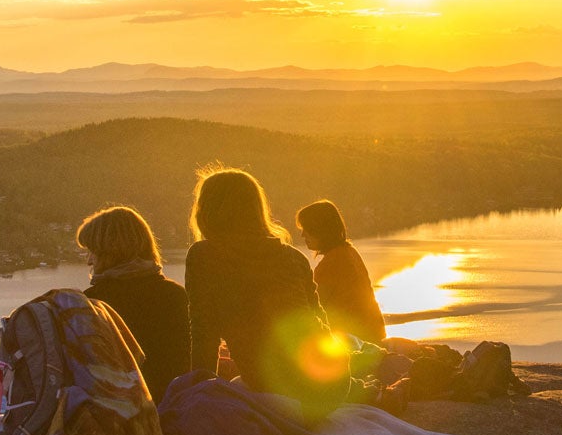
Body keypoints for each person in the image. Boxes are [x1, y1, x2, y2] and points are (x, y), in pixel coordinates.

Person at [185, 167, 349, 418]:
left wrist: (200, 402)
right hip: (333, 387)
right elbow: (321, 325)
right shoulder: (294, 257)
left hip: (283, 396)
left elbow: (204, 335)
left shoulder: (204, 255)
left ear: (206, 211)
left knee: (227, 387)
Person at [77, 205, 189, 401]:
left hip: (118, 417)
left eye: (92, 251)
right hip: (174, 408)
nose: (89, 261)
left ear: (109, 251)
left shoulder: (93, 303)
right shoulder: (176, 295)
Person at [296, 199, 387, 344]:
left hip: (354, 341)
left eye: (307, 229)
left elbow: (314, 307)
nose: (303, 235)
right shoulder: (349, 252)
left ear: (320, 229)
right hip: (373, 334)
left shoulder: (332, 263)